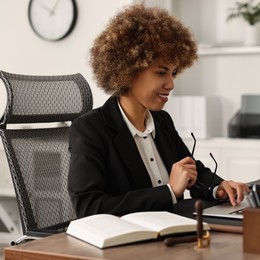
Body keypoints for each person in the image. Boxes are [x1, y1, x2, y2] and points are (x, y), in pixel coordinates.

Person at [68, 4, 248, 218]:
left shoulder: (161, 121)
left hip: (175, 233)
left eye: (173, 73)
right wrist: (169, 192)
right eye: (161, 73)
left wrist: (219, 188)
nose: (171, 84)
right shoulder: (91, 129)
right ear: (129, 70)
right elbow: (89, 207)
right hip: (132, 243)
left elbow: (189, 170)